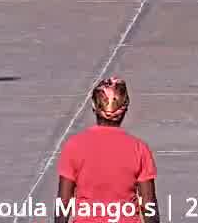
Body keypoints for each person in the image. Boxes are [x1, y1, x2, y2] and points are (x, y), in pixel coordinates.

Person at [56, 78, 158, 223]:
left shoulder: (74, 146)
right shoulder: (139, 149)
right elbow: (149, 208)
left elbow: (63, 205)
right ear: (125, 109)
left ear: (93, 107)